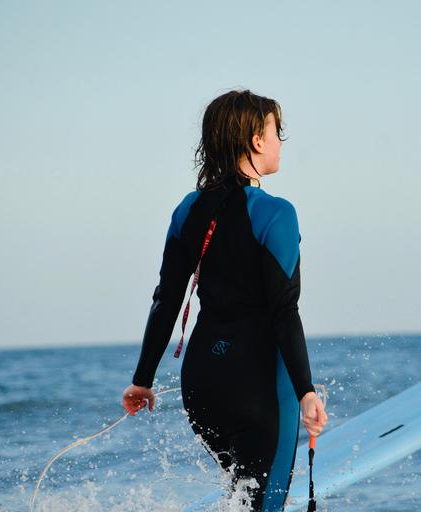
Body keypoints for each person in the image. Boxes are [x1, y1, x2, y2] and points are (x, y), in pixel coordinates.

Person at [121, 90, 327, 511]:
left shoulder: (186, 211)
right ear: (256, 140)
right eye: (277, 132)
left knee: (238, 498)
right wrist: (305, 391)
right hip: (259, 388)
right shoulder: (276, 214)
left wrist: (142, 379)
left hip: (203, 386)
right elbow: (284, 311)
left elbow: (166, 301)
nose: (281, 143)